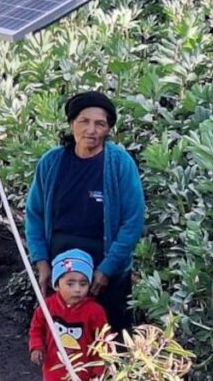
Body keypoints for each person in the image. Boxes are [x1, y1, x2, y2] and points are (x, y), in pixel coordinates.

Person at [25, 90, 144, 333]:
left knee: (110, 339)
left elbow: (132, 222)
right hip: (61, 269)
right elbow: (34, 214)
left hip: (106, 266)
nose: (91, 130)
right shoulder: (52, 162)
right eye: (84, 121)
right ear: (71, 124)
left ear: (108, 129)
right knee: (64, 337)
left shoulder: (119, 163)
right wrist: (42, 262)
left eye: (100, 124)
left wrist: (106, 270)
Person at [28, 248, 108, 381]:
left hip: (84, 373)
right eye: (70, 284)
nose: (77, 289)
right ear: (56, 284)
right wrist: (36, 347)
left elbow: (103, 342)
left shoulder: (95, 311)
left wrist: (99, 370)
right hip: (56, 369)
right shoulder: (47, 306)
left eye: (83, 283)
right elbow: (36, 328)